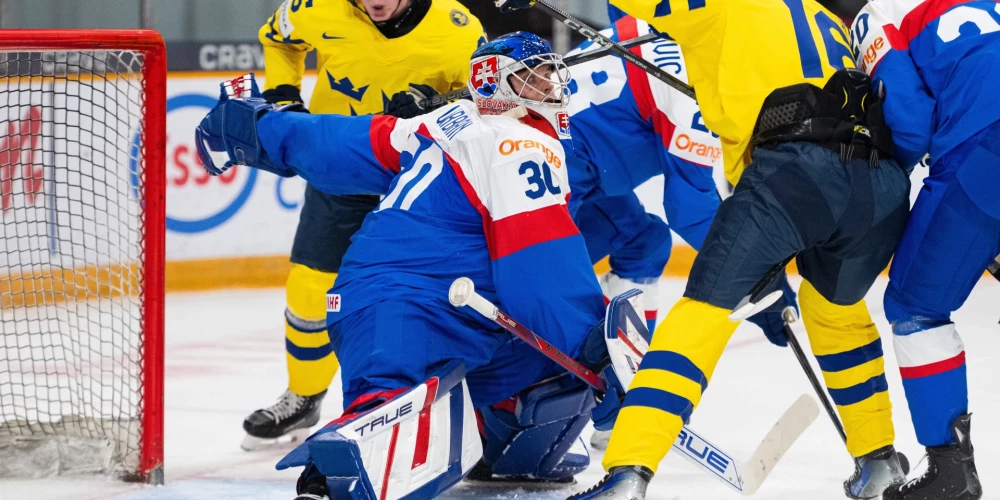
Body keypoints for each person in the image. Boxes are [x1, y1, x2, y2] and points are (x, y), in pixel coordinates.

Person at [495, 0, 912, 498]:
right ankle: (878, 456)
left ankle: (627, 471)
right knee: (840, 319)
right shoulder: (830, 20)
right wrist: (772, 285)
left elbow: (693, 204)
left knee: (700, 315)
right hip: (880, 184)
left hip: (792, 173)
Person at [196, 33, 639, 500]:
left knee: (556, 373)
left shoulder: (441, 122)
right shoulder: (521, 143)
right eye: (537, 75)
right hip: (399, 301)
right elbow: (539, 269)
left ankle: (505, 447)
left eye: (552, 73)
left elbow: (332, 143)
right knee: (388, 408)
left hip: (456, 308)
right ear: (497, 82)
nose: (553, 85)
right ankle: (329, 481)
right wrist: (594, 347)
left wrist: (253, 128)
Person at [242, 0, 484, 450]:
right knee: (310, 286)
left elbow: (488, 103)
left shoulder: (458, 28)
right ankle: (304, 395)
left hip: (419, 176)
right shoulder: (316, 8)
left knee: (430, 293)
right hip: (341, 169)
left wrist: (440, 107)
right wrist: (282, 98)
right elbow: (276, 38)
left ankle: (455, 402)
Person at [849, 0, 1000, 497]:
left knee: (915, 305)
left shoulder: (880, 10)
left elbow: (909, 119)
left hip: (986, 143)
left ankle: (950, 474)